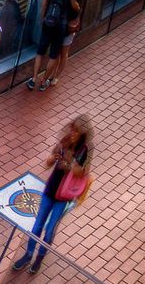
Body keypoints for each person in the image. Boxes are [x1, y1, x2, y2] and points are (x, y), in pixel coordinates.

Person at [14, 116, 93, 273]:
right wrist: (53, 158)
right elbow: (48, 162)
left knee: (50, 229)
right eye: (72, 129)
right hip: (51, 189)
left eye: (76, 131)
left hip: (64, 196)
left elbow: (83, 172)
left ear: (82, 134)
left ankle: (39, 258)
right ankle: (28, 254)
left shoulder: (84, 150)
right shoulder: (64, 141)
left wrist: (69, 163)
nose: (72, 133)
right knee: (37, 225)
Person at [26, 0, 78, 90]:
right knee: (54, 55)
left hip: (49, 24)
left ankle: (34, 79)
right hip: (61, 27)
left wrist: (42, 19)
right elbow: (75, 11)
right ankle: (44, 82)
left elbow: (44, 4)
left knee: (40, 52)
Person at [47, 0, 85, 87]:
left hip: (66, 25)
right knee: (62, 52)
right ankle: (54, 76)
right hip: (65, 25)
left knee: (61, 52)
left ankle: (55, 76)